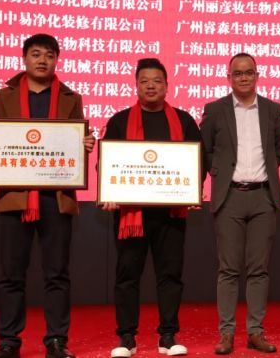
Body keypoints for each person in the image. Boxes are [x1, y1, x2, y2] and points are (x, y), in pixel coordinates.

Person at [0, 33, 95, 358]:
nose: (43, 60)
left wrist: (85, 144)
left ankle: (56, 340)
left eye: (49, 55)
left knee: (57, 274)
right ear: (24, 58)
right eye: (36, 54)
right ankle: (8, 341)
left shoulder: (71, 97)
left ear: (57, 60)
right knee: (11, 275)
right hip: (15, 196)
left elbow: (76, 143)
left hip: (56, 197)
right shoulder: (4, 96)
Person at [100, 58, 202, 357]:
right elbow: (106, 161)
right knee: (127, 275)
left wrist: (192, 190)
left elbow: (199, 161)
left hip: (170, 212)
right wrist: (108, 192)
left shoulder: (184, 120)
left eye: (157, 81)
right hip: (131, 214)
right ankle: (127, 337)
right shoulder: (120, 121)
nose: (151, 86)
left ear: (167, 85)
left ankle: (168, 335)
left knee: (170, 275)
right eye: (144, 81)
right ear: (136, 85)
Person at [199, 53, 280, 355]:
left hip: (263, 196)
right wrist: (218, 173)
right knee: (228, 270)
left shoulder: (274, 110)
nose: (244, 77)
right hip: (229, 197)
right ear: (229, 78)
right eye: (237, 73)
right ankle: (226, 333)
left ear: (257, 75)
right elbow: (206, 150)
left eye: (249, 72)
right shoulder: (215, 110)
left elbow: (279, 150)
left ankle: (255, 332)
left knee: (259, 270)